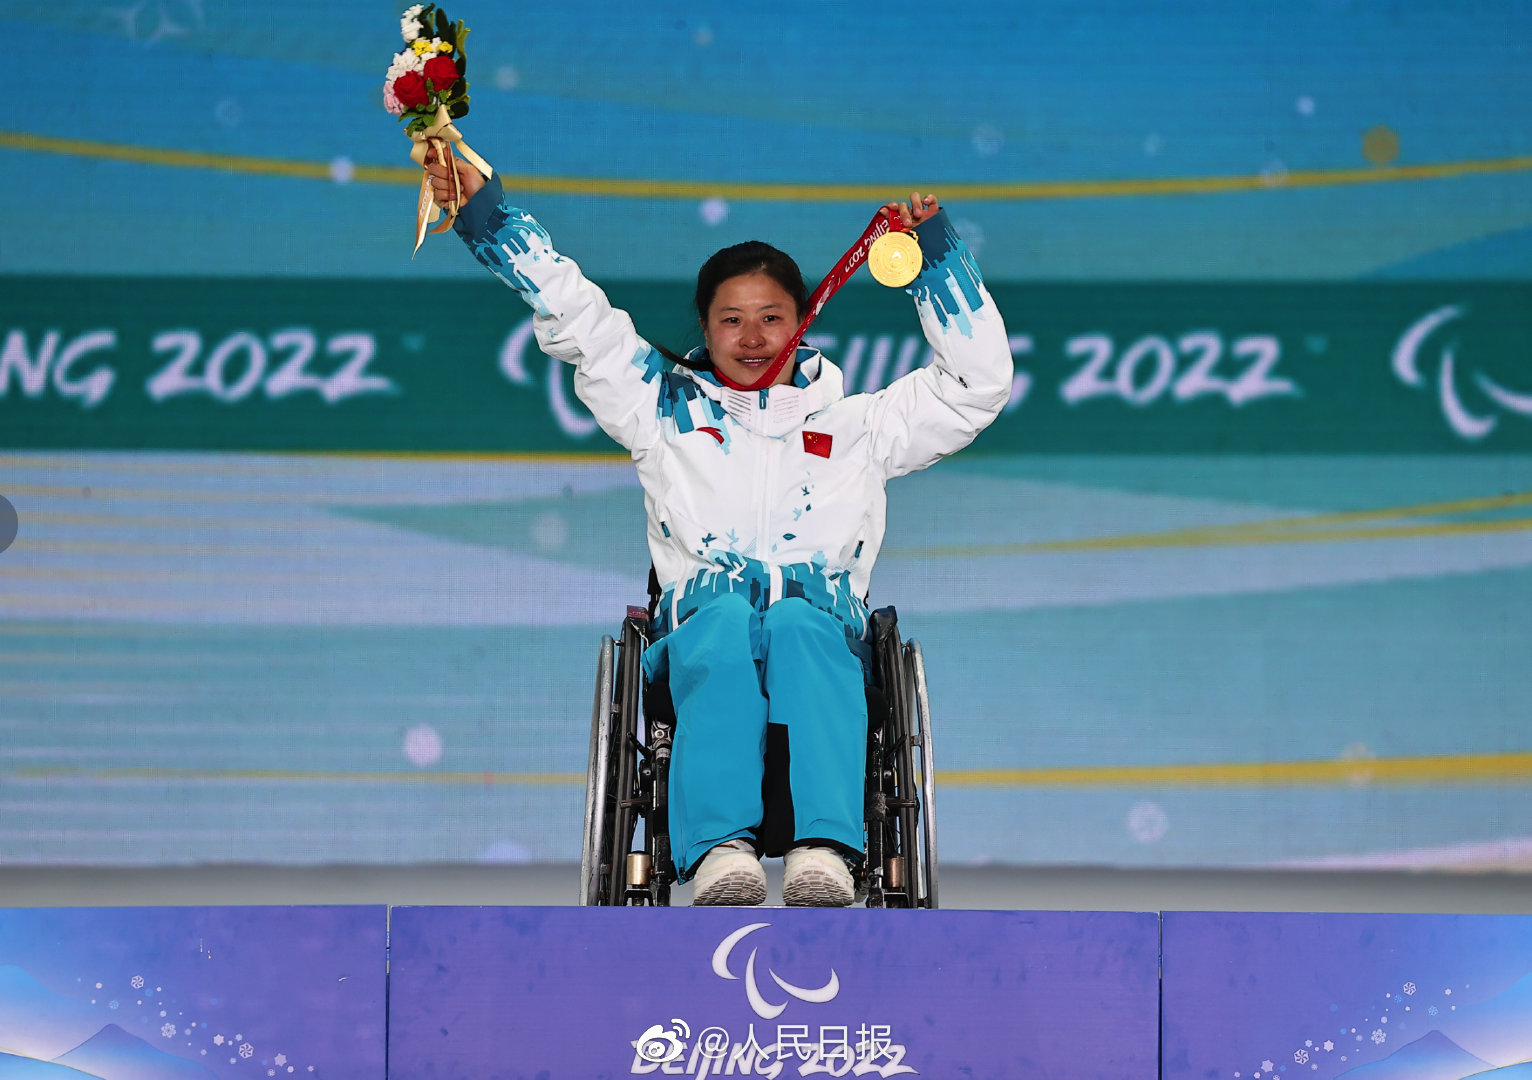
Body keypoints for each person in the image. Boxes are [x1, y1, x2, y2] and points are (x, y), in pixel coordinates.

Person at [425, 150, 1011, 906]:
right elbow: (579, 318)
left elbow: (976, 387)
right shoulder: (658, 407)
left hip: (823, 634)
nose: (753, 336)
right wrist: (489, 218)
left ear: (803, 321)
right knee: (726, 620)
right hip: (702, 625)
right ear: (704, 325)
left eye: (772, 318)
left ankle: (824, 850)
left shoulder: (860, 426)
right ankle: (719, 851)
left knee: (803, 625)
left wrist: (938, 264)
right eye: (731, 320)